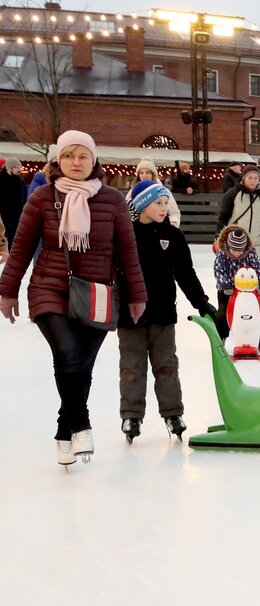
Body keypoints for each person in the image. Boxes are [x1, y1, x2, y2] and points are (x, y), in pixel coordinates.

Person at [0, 131, 148, 466]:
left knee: (81, 365)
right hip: (49, 288)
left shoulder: (111, 200)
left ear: (93, 160)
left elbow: (128, 252)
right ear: (57, 160)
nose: (76, 163)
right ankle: (81, 426)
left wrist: (137, 295)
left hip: (97, 293)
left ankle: (63, 431)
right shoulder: (41, 198)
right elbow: (21, 248)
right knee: (67, 353)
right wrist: (8, 290)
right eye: (68, 156)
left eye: (82, 156)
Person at [118, 181, 217, 443]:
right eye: (158, 203)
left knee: (166, 366)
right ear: (141, 205)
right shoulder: (124, 234)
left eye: (166, 203)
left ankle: (173, 413)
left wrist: (202, 302)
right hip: (130, 315)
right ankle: (131, 415)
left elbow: (185, 273)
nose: (164, 208)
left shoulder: (173, 236)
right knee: (131, 367)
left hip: (162, 313)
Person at [213, 225, 260, 342]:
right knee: (223, 315)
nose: (237, 254)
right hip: (228, 291)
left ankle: (255, 337)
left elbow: (259, 268)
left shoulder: (250, 253)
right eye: (234, 250)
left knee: (252, 314)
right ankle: (221, 337)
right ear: (228, 246)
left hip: (247, 291)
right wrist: (225, 285)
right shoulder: (222, 254)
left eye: (240, 250)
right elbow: (219, 270)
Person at [217, 165, 260, 263]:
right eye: (250, 178)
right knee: (237, 275)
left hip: (257, 243)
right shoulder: (233, 194)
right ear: (244, 178)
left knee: (256, 275)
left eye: (256, 178)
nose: (253, 181)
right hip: (236, 243)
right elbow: (223, 217)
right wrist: (219, 240)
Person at [124, 158, 180, 226]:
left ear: (153, 174)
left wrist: (173, 223)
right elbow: (126, 212)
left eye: (148, 172)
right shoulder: (132, 192)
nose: (144, 176)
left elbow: (174, 212)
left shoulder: (163, 191)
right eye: (141, 173)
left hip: (160, 229)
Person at [0, 158, 28, 246]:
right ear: (10, 167)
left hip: (16, 216)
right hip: (3, 215)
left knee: (13, 240)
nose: (18, 170)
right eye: (16, 167)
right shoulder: (1, 180)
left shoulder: (19, 181)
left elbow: (24, 197)